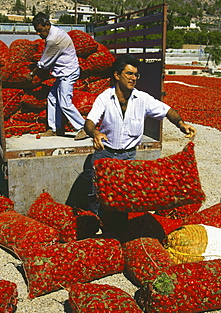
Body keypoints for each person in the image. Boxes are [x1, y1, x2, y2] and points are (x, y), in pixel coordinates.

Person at [84, 53, 197, 216]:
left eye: (136, 74)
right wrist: (95, 133)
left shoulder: (143, 99)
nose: (133, 78)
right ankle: (95, 224)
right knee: (96, 193)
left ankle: (118, 227)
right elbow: (89, 122)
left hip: (128, 157)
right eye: (129, 73)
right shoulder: (104, 98)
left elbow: (167, 110)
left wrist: (181, 124)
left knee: (123, 195)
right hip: (105, 154)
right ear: (117, 75)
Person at [26, 12, 87, 140]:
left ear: (47, 25)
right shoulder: (53, 33)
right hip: (62, 73)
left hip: (68, 72)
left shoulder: (54, 39)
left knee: (65, 102)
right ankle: (54, 129)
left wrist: (32, 73)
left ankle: (83, 128)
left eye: (40, 30)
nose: (38, 33)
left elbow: (44, 62)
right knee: (52, 98)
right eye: (36, 31)